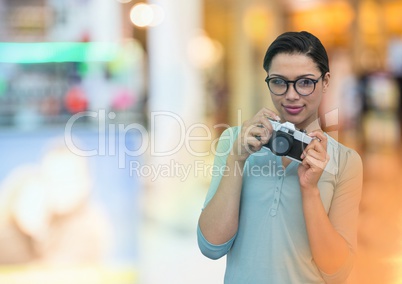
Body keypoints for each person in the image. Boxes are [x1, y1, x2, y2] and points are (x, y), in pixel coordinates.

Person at [197, 31, 363, 284]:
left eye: (305, 82)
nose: (291, 95)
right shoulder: (235, 142)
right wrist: (236, 161)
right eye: (278, 82)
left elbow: (337, 272)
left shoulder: (346, 162)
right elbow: (211, 246)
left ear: (326, 81)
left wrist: (310, 191)